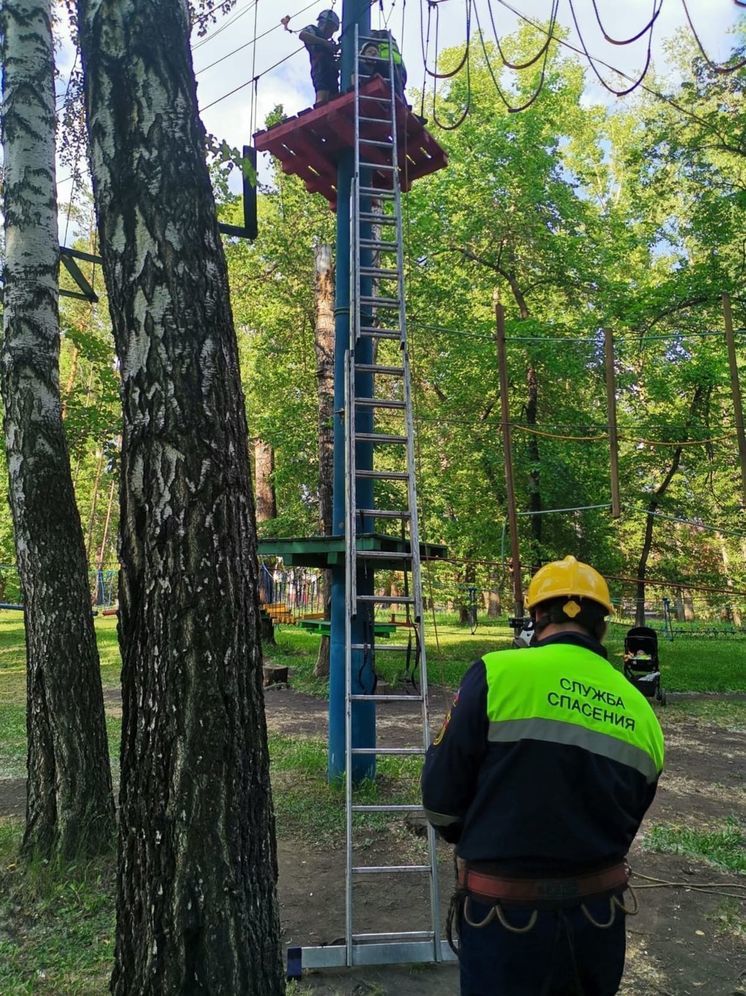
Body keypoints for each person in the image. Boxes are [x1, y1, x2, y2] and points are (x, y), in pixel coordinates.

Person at [421, 555, 665, 996]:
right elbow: (629, 816)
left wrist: (481, 836)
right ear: (603, 626)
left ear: (536, 616)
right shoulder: (641, 710)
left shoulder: (496, 674)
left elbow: (439, 802)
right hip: (598, 923)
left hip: (502, 923)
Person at [299, 10, 340, 105]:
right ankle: (320, 107)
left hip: (331, 72)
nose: (331, 32)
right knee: (323, 90)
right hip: (320, 69)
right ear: (324, 24)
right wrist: (325, 43)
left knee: (334, 95)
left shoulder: (327, 42)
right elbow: (302, 35)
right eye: (331, 28)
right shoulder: (313, 30)